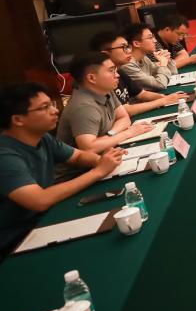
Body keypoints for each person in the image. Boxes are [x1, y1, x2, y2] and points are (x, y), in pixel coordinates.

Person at [1, 83, 123, 251]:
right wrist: (98, 171)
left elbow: (77, 156)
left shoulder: (43, 137)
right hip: (16, 239)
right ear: (17, 120)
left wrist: (101, 160)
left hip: (46, 218)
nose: (55, 110)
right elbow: (39, 200)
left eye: (51, 104)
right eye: (44, 107)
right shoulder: (5, 156)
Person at [56, 53, 154, 177]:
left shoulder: (105, 90)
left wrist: (111, 134)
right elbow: (89, 148)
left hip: (105, 160)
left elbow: (124, 118)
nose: (117, 75)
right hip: (77, 175)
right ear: (91, 78)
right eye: (111, 71)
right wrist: (128, 133)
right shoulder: (83, 107)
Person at [89, 31, 187, 118]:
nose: (129, 51)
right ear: (105, 53)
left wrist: (166, 97)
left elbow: (141, 94)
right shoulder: (103, 79)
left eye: (128, 47)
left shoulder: (119, 71)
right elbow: (126, 110)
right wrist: (163, 101)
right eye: (123, 47)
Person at [119, 23, 177, 91]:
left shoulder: (144, 58)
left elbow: (173, 74)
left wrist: (167, 60)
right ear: (136, 43)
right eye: (150, 37)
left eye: (153, 37)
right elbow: (160, 84)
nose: (155, 41)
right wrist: (163, 64)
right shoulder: (128, 65)